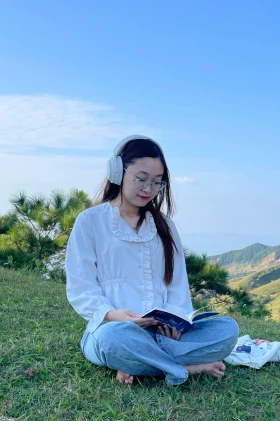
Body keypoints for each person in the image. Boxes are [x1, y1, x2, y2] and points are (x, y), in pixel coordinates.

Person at [65, 135, 239, 385]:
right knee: (111, 341)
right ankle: (190, 368)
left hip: (164, 337)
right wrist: (114, 315)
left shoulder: (165, 227)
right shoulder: (90, 221)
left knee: (226, 329)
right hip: (113, 330)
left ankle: (141, 364)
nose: (148, 189)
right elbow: (81, 287)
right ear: (117, 172)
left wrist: (176, 324)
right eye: (141, 179)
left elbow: (177, 285)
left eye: (157, 183)